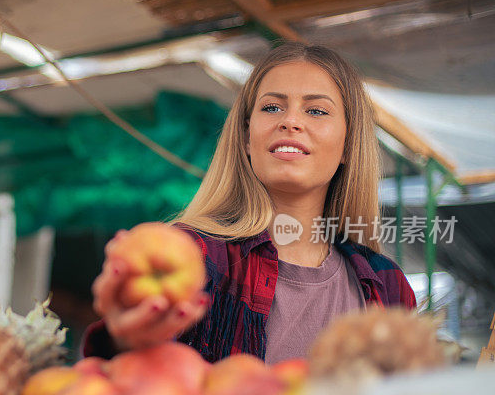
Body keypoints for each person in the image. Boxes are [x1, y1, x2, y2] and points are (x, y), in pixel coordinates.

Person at [84, 42, 416, 364]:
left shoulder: (389, 285)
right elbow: (135, 380)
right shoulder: (193, 256)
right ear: (246, 136)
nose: (291, 121)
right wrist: (123, 339)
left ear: (348, 145)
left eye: (316, 110)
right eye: (272, 107)